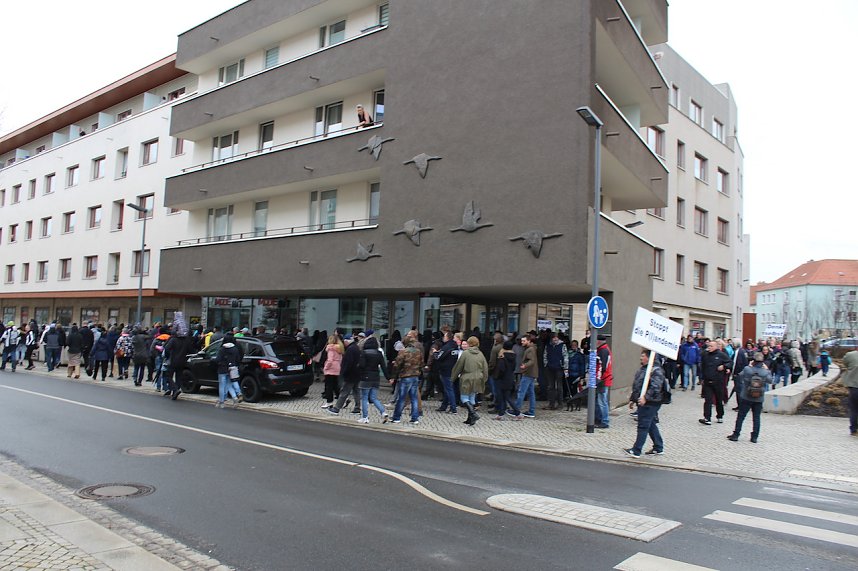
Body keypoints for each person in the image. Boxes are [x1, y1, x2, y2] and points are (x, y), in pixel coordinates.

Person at [624, 351, 667, 458]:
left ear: (649, 358)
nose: (640, 358)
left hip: (651, 402)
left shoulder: (656, 370)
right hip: (643, 401)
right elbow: (638, 385)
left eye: (643, 356)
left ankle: (636, 450)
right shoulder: (643, 369)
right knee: (650, 424)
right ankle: (658, 447)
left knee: (643, 425)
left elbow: (655, 387)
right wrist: (633, 399)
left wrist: (645, 397)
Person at [727, 352, 773, 443]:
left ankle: (736, 434)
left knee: (741, 416)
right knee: (756, 417)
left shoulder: (747, 369)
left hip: (746, 396)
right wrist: (767, 370)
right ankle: (754, 437)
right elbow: (770, 381)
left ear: (753, 360)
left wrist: (749, 366)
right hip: (759, 398)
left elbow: (740, 376)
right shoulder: (765, 372)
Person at [451, 336, 489, 426]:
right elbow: (485, 368)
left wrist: (453, 377)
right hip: (478, 378)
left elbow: (459, 366)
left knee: (464, 398)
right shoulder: (480, 354)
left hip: (467, 377)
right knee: (472, 398)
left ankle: (473, 414)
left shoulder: (466, 353)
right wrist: (484, 379)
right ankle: (470, 419)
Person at [327, 334, 362, 415]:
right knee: (356, 391)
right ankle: (357, 408)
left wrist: (343, 373)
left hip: (350, 374)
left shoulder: (350, 349)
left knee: (344, 391)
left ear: (347, 341)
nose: (343, 343)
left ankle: (336, 408)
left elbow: (348, 363)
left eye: (344, 341)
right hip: (357, 373)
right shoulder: (356, 348)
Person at [391, 336, 422, 425]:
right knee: (414, 398)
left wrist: (393, 376)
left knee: (401, 398)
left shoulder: (403, 352)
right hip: (415, 376)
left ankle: (396, 417)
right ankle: (415, 418)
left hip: (405, 376)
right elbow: (421, 363)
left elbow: (397, 365)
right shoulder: (418, 351)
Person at [699, 340, 731, 425]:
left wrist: (724, 366)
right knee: (708, 400)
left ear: (716, 347)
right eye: (709, 346)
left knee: (718, 400)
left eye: (711, 346)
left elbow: (730, 362)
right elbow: (702, 365)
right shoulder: (705, 354)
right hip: (707, 381)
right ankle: (707, 418)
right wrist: (702, 378)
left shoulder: (721, 355)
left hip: (718, 381)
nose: (709, 347)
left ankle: (720, 416)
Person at [493, 340, 521, 420]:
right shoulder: (513, 356)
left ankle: (517, 413)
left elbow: (501, 370)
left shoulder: (502, 357)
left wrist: (496, 376)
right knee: (507, 397)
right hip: (509, 379)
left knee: (502, 397)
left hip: (501, 380)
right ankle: (501, 414)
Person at [433, 331, 461, 414]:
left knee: (449, 389)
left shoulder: (447, 347)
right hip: (453, 370)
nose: (443, 338)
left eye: (444, 336)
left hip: (446, 371)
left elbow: (439, 357)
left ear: (447, 338)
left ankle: (453, 408)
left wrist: (435, 352)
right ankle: (444, 406)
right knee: (447, 389)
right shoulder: (455, 347)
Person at [214, 332, 244, 408]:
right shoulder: (235, 349)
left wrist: (213, 360)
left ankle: (222, 402)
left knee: (222, 386)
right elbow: (238, 359)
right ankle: (235, 397)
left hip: (222, 369)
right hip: (232, 369)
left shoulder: (222, 349)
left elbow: (218, 359)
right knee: (229, 385)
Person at [542, 332, 569, 410]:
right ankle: (551, 403)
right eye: (554, 338)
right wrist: (546, 364)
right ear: (551, 339)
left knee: (559, 387)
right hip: (550, 368)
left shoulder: (562, 345)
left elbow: (565, 356)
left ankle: (560, 403)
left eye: (556, 338)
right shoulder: (548, 346)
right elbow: (545, 355)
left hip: (559, 368)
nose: (555, 339)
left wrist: (565, 368)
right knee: (551, 386)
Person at [516, 334, 538, 419]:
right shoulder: (531, 348)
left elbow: (531, 361)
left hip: (528, 373)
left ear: (529, 341)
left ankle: (516, 410)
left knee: (521, 391)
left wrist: (525, 365)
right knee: (531, 393)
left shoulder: (530, 349)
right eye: (522, 340)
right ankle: (531, 411)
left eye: (524, 341)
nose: (522, 342)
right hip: (531, 373)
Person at [595, 335, 613, 428]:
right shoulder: (604, 349)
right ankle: (598, 419)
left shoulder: (603, 351)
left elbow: (603, 367)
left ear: (598, 341)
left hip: (603, 379)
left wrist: (599, 378)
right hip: (603, 379)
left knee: (602, 401)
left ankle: (604, 421)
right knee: (599, 400)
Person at [321, 334, 344, 408]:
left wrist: (326, 368)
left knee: (329, 386)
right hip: (337, 367)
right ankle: (342, 400)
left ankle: (329, 402)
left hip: (330, 368)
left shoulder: (331, 348)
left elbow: (330, 360)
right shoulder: (339, 348)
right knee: (335, 385)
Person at [843, 349, 858, 436]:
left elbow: (845, 363)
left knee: (854, 409)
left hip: (854, 386)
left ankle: (854, 429)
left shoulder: (850, 355)